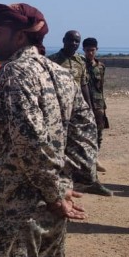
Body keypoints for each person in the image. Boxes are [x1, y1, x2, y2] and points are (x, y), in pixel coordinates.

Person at [0, 2, 97, 257]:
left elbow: (30, 143)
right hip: (51, 209)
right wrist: (67, 181)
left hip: (17, 212)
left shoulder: (14, 73)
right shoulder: (60, 73)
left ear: (21, 37)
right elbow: (86, 130)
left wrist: (56, 192)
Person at [50, 30, 111, 197]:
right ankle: (59, 184)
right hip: (58, 110)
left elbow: (84, 85)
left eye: (77, 41)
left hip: (77, 110)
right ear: (63, 40)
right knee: (59, 146)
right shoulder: (52, 61)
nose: (74, 44)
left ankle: (91, 181)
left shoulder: (80, 61)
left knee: (86, 145)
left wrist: (89, 108)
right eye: (71, 40)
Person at [82, 37, 109, 172]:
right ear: (83, 50)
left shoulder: (100, 67)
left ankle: (95, 158)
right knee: (83, 132)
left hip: (98, 105)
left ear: (97, 49)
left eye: (92, 50)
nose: (90, 53)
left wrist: (103, 106)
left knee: (98, 132)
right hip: (83, 104)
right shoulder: (80, 65)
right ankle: (84, 160)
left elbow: (101, 87)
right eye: (88, 50)